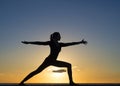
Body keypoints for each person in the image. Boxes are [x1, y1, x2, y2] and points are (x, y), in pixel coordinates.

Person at [19, 32, 87, 85]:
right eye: (59, 35)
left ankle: (71, 82)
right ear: (56, 37)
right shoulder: (51, 43)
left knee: (69, 65)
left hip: (54, 61)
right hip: (48, 61)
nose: (60, 37)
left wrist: (80, 42)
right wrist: (29, 42)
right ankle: (21, 82)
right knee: (37, 71)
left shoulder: (60, 44)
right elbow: (40, 43)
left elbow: (70, 44)